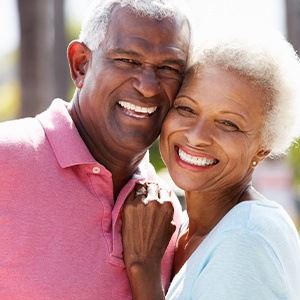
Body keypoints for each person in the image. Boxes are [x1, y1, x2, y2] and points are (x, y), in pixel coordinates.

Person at [0, 0, 192, 298]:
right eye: (127, 60)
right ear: (81, 65)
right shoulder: (6, 159)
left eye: (168, 68)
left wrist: (145, 271)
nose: (149, 86)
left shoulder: (166, 211)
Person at [122, 29, 300, 299]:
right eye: (186, 109)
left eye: (228, 123)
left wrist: (143, 269)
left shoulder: (245, 240)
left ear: (263, 148)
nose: (197, 136)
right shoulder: (186, 228)